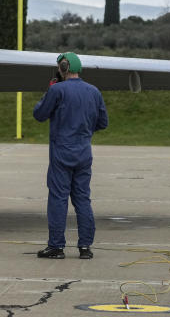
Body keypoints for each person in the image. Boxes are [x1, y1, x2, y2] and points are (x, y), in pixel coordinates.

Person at [32, 52, 108, 259]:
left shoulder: (57, 90)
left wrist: (49, 91)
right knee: (82, 198)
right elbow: (103, 122)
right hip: (84, 152)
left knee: (58, 198)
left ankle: (56, 246)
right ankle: (85, 247)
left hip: (61, 153)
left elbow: (39, 114)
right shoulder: (94, 91)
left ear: (63, 68)